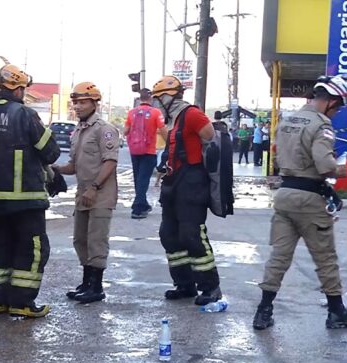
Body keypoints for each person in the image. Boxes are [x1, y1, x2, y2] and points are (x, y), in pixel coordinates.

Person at [252, 74, 347, 331]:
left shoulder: (287, 120)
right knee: (325, 258)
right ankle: (336, 312)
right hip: (310, 200)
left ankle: (263, 311)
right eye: (338, 107)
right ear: (331, 101)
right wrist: (341, 170)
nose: (337, 112)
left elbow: (278, 156)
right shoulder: (322, 125)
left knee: (279, 257)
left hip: (284, 196)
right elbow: (325, 166)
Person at [0, 64, 60, 318]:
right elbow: (50, 151)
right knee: (32, 248)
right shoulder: (24, 114)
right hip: (24, 197)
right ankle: (22, 302)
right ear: (18, 89)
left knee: (0, 246)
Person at [152, 75, 222, 306]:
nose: (156, 103)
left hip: (192, 183)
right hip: (173, 183)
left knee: (192, 235)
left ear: (169, 97)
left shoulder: (191, 114)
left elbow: (209, 135)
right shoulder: (171, 119)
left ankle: (210, 287)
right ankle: (184, 285)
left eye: (158, 98)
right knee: (169, 235)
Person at [54, 82, 120, 303]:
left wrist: (95, 187)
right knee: (80, 240)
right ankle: (86, 282)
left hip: (100, 195)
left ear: (94, 103)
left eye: (83, 102)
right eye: (76, 103)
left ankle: (97, 287)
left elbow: (110, 162)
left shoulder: (105, 129)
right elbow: (73, 165)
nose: (78, 107)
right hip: (83, 195)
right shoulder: (79, 131)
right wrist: (55, 169)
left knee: (96, 241)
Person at [124, 88, 167, 219]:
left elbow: (125, 130)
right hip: (149, 150)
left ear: (139, 98)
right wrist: (170, 144)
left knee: (138, 178)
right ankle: (137, 208)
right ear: (151, 99)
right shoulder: (156, 112)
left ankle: (143, 204)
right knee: (144, 178)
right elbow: (163, 129)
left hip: (134, 150)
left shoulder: (131, 113)